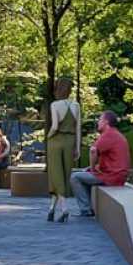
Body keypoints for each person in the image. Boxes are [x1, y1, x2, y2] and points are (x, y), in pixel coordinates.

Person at [69, 110, 129, 217]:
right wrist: (91, 168)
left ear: (106, 122)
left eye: (100, 119)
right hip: (117, 175)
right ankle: (88, 207)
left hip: (112, 176)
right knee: (82, 171)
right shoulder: (115, 134)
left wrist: (92, 169)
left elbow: (93, 151)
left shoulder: (109, 134)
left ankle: (86, 210)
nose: (98, 122)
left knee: (75, 177)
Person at [43, 79, 80, 223]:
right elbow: (78, 128)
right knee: (65, 175)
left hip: (56, 141)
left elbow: (55, 126)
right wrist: (77, 147)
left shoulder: (55, 105)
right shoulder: (76, 105)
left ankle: (64, 208)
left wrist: (48, 136)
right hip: (70, 141)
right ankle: (51, 209)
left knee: (55, 174)